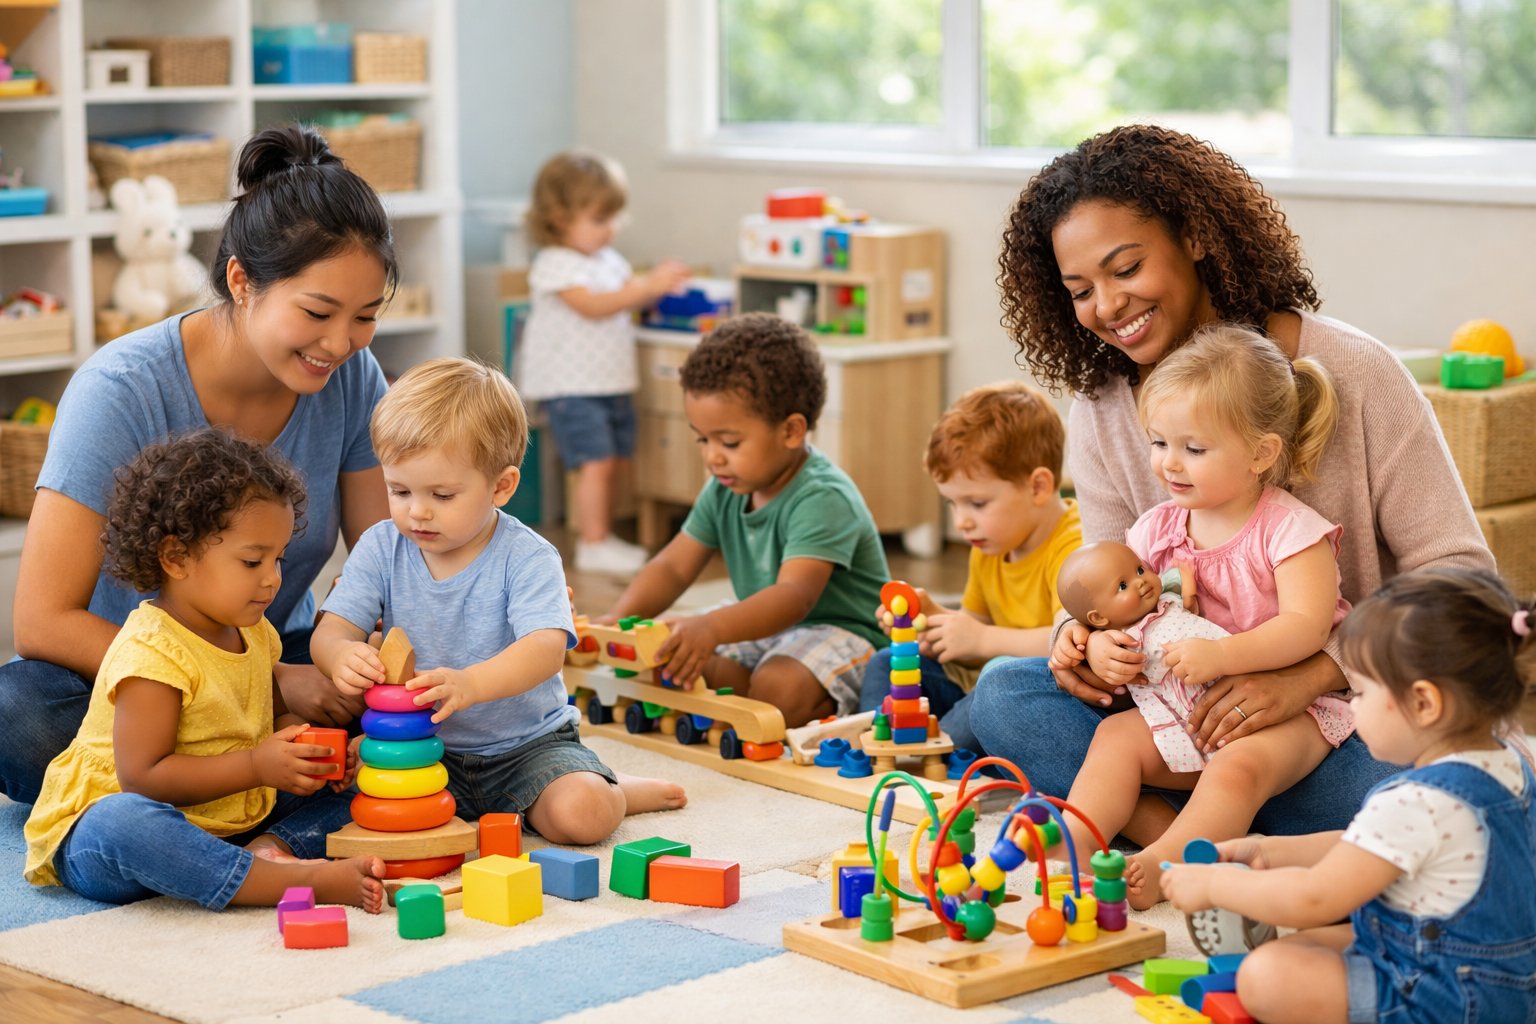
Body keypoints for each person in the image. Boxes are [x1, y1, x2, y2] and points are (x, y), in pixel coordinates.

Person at [971, 123, 1495, 840]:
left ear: (1195, 236)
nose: (1108, 306)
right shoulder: (1101, 411)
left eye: (1126, 269)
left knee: (1447, 783)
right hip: (1178, 715)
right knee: (1005, 694)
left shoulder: (1356, 370)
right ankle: (1188, 832)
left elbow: (1462, 576)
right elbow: (1108, 580)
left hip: (1338, 721)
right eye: (1081, 290)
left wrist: (1309, 676)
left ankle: (1205, 824)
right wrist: (1084, 644)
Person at [0, 124, 397, 805]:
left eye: (365, 316)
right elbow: (43, 620)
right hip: (133, 667)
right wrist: (259, 689)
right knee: (21, 719)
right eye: (318, 312)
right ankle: (250, 773)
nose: (341, 344)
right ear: (241, 280)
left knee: (412, 700)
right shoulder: (121, 390)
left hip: (274, 646)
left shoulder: (355, 379)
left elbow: (387, 561)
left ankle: (226, 780)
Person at [310, 358, 684, 845]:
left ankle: (615, 789)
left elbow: (546, 648)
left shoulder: (527, 556)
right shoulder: (382, 546)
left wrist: (471, 683)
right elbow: (331, 630)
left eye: (442, 494)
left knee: (582, 815)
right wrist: (340, 655)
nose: (416, 511)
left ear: (501, 487)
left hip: (527, 747)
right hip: (424, 748)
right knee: (333, 800)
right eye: (398, 490)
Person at [1048, 325, 1354, 906]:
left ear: (1261, 453)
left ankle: (1170, 863)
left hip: (1292, 710)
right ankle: (1079, 840)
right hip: (1181, 703)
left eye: (1194, 448)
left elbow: (1308, 627)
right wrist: (1090, 642)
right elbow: (1117, 601)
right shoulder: (1155, 530)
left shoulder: (1291, 532)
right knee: (1111, 734)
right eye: (1159, 443)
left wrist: (1225, 655)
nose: (1169, 464)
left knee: (1235, 771)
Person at [23, 429, 384, 913]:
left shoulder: (254, 632)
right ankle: (289, 882)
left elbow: (267, 718)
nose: (273, 577)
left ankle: (266, 854)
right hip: (116, 832)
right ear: (176, 558)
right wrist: (258, 765)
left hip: (225, 819)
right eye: (253, 561)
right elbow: (145, 778)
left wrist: (307, 757)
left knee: (371, 784)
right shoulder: (153, 653)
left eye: (278, 558)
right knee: (124, 822)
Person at [1162, 567, 1536, 1024]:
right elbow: (1370, 849)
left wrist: (1215, 885)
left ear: (1423, 703)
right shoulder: (1509, 765)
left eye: (1359, 692)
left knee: (1267, 974)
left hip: (1442, 998)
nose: (1352, 706)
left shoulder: (1414, 801)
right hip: (1507, 980)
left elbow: (1315, 898)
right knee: (1311, 940)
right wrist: (1268, 850)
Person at [602, 312, 889, 728]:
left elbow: (794, 597)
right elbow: (672, 565)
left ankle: (813, 710)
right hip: (767, 626)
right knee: (671, 658)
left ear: (791, 431)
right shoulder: (724, 486)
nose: (712, 456)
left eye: (729, 442)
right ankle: (752, 701)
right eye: (703, 438)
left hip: (843, 631)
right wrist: (619, 618)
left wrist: (712, 628)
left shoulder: (822, 495)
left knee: (777, 688)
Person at [856, 381, 1080, 754]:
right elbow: (972, 633)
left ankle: (922, 755)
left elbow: (1073, 643)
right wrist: (934, 623)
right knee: (884, 663)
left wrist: (980, 639)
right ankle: (879, 745)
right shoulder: (991, 543)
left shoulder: (1074, 546)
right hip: (976, 685)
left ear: (1038, 486)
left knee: (991, 688)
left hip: (1028, 696)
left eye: (976, 503)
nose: (962, 522)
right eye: (952, 505)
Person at [517, 149, 692, 576]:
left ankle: (604, 534)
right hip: (573, 385)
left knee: (611, 459)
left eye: (614, 217)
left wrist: (656, 287)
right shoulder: (556, 264)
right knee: (594, 461)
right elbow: (593, 306)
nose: (610, 229)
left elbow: (625, 293)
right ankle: (593, 542)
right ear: (559, 218)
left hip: (608, 380)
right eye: (599, 219)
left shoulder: (609, 260)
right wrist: (645, 288)